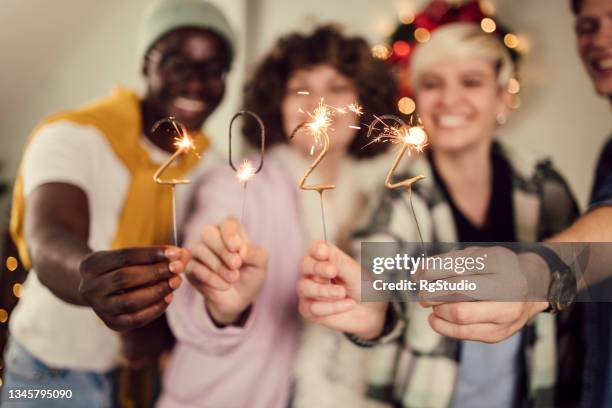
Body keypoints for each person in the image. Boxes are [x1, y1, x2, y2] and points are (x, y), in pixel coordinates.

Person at [297, 23, 584, 407]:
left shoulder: (546, 188)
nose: (449, 99)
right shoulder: (394, 198)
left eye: (470, 82)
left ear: (502, 98)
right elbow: (385, 292)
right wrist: (378, 315)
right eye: (432, 84)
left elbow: (582, 282)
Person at [1, 0, 234, 406]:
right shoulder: (74, 135)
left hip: (145, 377)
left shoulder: (210, 165)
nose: (197, 83)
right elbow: (49, 236)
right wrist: (86, 276)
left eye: (214, 69)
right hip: (47, 374)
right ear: (147, 64)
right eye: (180, 64)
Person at [157, 25, 398, 408]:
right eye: (301, 88)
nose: (319, 103)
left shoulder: (383, 201)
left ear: (363, 102)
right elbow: (189, 297)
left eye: (337, 87)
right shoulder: (237, 184)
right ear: (277, 104)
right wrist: (220, 304)